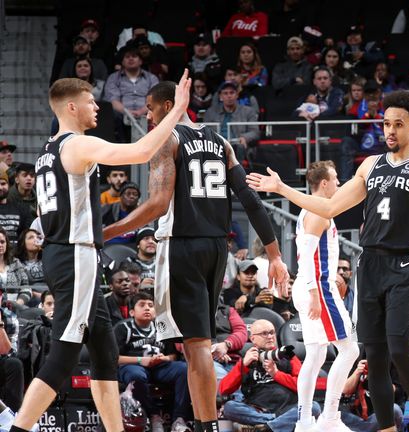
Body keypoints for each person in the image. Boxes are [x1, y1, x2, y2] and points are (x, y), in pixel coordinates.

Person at [248, 90, 409, 432]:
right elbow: (330, 208)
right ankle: (388, 428)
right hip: (370, 264)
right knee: (372, 355)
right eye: (386, 123)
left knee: (399, 348)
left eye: (398, 125)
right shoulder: (370, 164)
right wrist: (283, 188)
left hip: (405, 264)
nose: (389, 130)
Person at [102, 80, 289, 432]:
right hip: (218, 249)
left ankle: (206, 426)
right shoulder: (221, 142)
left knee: (197, 347)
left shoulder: (167, 139)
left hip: (182, 246)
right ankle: (206, 424)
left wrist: (106, 233)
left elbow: (157, 205)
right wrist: (275, 256)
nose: (150, 116)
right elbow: (250, 200)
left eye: (152, 108)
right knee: (197, 346)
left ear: (168, 105)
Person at [8, 72, 190, 432]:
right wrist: (177, 110)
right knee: (63, 354)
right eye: (91, 101)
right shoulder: (77, 144)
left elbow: (51, 212)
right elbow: (141, 151)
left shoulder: (47, 151)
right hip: (75, 254)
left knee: (105, 353)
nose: (97, 106)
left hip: (69, 253)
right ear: (72, 106)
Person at [292, 160, 359, 431]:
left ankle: (304, 420)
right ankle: (330, 417)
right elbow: (307, 255)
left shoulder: (310, 209)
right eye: (336, 179)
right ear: (324, 184)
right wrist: (314, 293)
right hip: (317, 286)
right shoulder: (318, 212)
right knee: (349, 348)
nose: (339, 184)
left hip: (311, 285)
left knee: (317, 354)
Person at [219, 320, 322, 430]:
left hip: (288, 408)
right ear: (252, 338)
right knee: (230, 407)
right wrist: (243, 365)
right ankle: (275, 424)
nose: (270, 336)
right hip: (258, 410)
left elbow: (304, 386)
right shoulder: (247, 359)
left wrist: (276, 374)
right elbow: (223, 389)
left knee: (313, 407)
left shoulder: (287, 354)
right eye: (264, 333)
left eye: (272, 332)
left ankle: (265, 428)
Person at [114, 292, 191, 432]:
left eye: (150, 305)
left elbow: (173, 355)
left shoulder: (162, 327)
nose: (147, 308)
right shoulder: (122, 328)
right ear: (132, 312)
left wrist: (164, 358)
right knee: (136, 375)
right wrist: (140, 360)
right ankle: (154, 415)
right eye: (142, 305)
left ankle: (179, 420)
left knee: (184, 369)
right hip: (133, 366)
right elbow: (114, 358)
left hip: (159, 367)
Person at [105, 46, 159, 141]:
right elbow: (113, 101)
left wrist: (141, 112)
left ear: (140, 61)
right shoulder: (113, 78)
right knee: (113, 115)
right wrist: (128, 113)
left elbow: (154, 99)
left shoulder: (152, 78)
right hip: (121, 116)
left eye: (134, 56)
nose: (130, 59)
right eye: (127, 57)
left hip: (147, 114)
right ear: (122, 62)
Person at [202, 81, 259, 150]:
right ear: (220, 96)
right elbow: (204, 132)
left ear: (237, 95)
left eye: (232, 93)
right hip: (217, 146)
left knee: (240, 147)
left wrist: (245, 137)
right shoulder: (210, 112)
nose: (229, 96)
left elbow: (255, 132)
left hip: (237, 145)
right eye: (225, 93)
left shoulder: (248, 111)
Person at [211, 296, 248, 382]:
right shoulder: (190, 312)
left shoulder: (228, 310)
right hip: (206, 359)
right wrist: (214, 349)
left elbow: (242, 332)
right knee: (225, 381)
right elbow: (183, 342)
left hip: (232, 358)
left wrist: (226, 345)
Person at [0, 302, 23, 411]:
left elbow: (9, 353)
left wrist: (0, 325)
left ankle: (12, 419)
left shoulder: (9, 318)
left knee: (14, 364)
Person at [0, 170, 32, 248]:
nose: (0, 187)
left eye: (3, 184)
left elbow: (25, 237)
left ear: (9, 185)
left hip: (15, 258)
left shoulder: (21, 209)